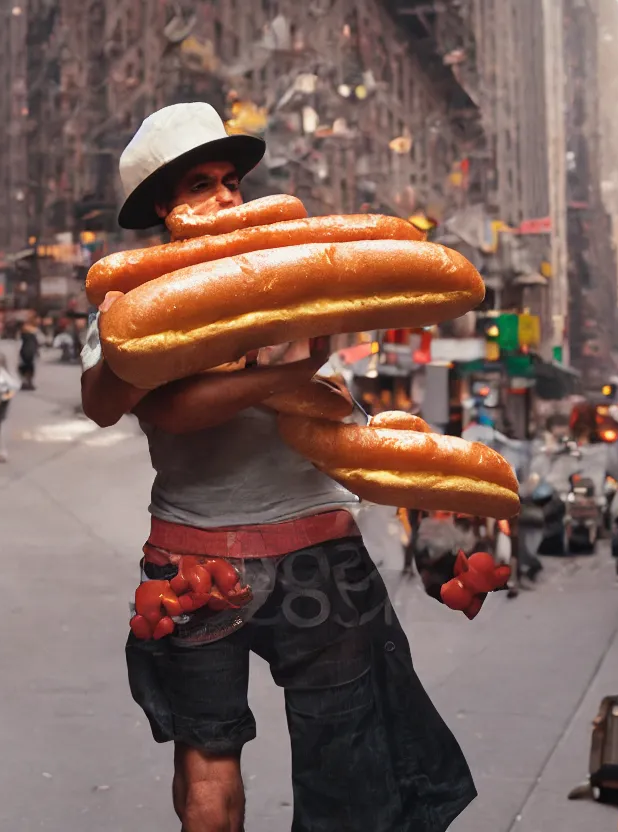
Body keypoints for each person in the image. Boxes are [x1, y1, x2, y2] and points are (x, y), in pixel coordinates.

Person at [81, 102, 475, 831]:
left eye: (231, 180)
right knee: (211, 761)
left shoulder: (290, 269)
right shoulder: (131, 295)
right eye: (202, 184)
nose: (228, 197)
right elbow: (121, 403)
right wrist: (286, 375)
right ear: (166, 208)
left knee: (343, 756)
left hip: (303, 544)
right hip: (201, 558)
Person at [18, 318, 39, 391]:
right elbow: (36, 343)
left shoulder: (23, 331)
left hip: (25, 351)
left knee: (24, 367)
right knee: (30, 367)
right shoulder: (34, 331)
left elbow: (19, 342)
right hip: (30, 351)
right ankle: (29, 382)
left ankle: (25, 382)